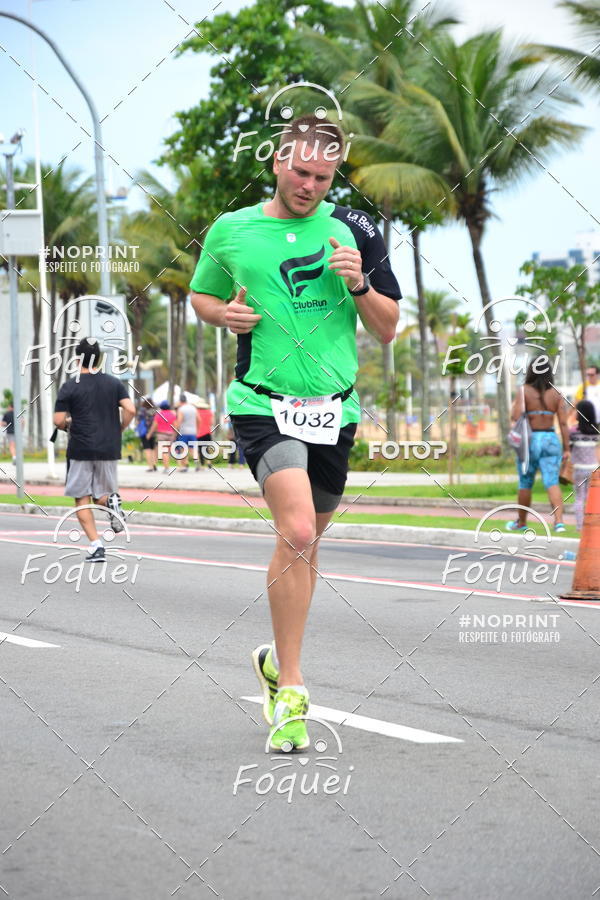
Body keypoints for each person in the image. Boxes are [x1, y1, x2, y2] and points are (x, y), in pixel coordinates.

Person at [190, 114, 400, 751]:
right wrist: (222, 312)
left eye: (323, 176)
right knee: (299, 529)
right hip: (262, 401)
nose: (310, 186)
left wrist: (358, 281)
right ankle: (294, 690)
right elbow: (201, 296)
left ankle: (276, 661)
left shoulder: (355, 229)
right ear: (279, 163)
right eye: (301, 172)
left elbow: (389, 326)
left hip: (334, 409)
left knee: (307, 544)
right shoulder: (232, 230)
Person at [53, 337, 135, 562]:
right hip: (108, 447)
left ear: (78, 358)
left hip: (80, 447)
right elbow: (130, 408)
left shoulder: (70, 385)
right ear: (99, 358)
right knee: (101, 494)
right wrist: (118, 428)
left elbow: (58, 420)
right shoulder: (113, 383)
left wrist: (68, 424)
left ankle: (96, 545)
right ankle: (110, 503)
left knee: (81, 498)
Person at [507, 358, 570, 533]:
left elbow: (515, 415)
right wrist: (566, 448)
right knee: (551, 481)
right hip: (550, 438)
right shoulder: (557, 393)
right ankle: (559, 522)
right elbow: (563, 424)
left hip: (530, 440)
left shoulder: (524, 390)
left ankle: (521, 522)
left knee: (525, 482)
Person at [570, 399, 600, 530]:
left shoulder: (573, 432)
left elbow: (568, 449)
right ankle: (592, 525)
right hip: (593, 469)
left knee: (579, 498)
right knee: (592, 499)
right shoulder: (596, 433)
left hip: (578, 469)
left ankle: (579, 526)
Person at [147, 400, 177, 472]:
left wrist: (149, 434)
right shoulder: (172, 414)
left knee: (164, 451)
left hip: (161, 435)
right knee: (167, 451)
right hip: (170, 434)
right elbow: (175, 425)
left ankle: (166, 468)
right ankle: (167, 466)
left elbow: (154, 426)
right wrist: (175, 434)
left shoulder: (158, 415)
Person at [176, 393, 199, 471]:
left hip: (184, 432)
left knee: (183, 449)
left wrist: (176, 429)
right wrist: (197, 429)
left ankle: (185, 465)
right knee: (193, 449)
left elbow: (179, 421)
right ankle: (197, 463)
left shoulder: (181, 409)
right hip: (193, 432)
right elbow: (199, 419)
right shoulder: (193, 408)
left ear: (180, 401)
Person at [136, 397, 157, 471]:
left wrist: (138, 428)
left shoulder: (142, 410)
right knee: (153, 448)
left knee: (147, 449)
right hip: (153, 432)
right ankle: (154, 464)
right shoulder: (154, 410)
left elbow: (138, 420)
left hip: (144, 432)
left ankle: (150, 467)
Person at [195, 399, 213, 469]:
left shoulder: (196, 413)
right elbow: (211, 422)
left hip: (199, 433)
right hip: (207, 432)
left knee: (200, 449)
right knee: (207, 448)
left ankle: (202, 464)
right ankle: (209, 462)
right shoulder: (209, 412)